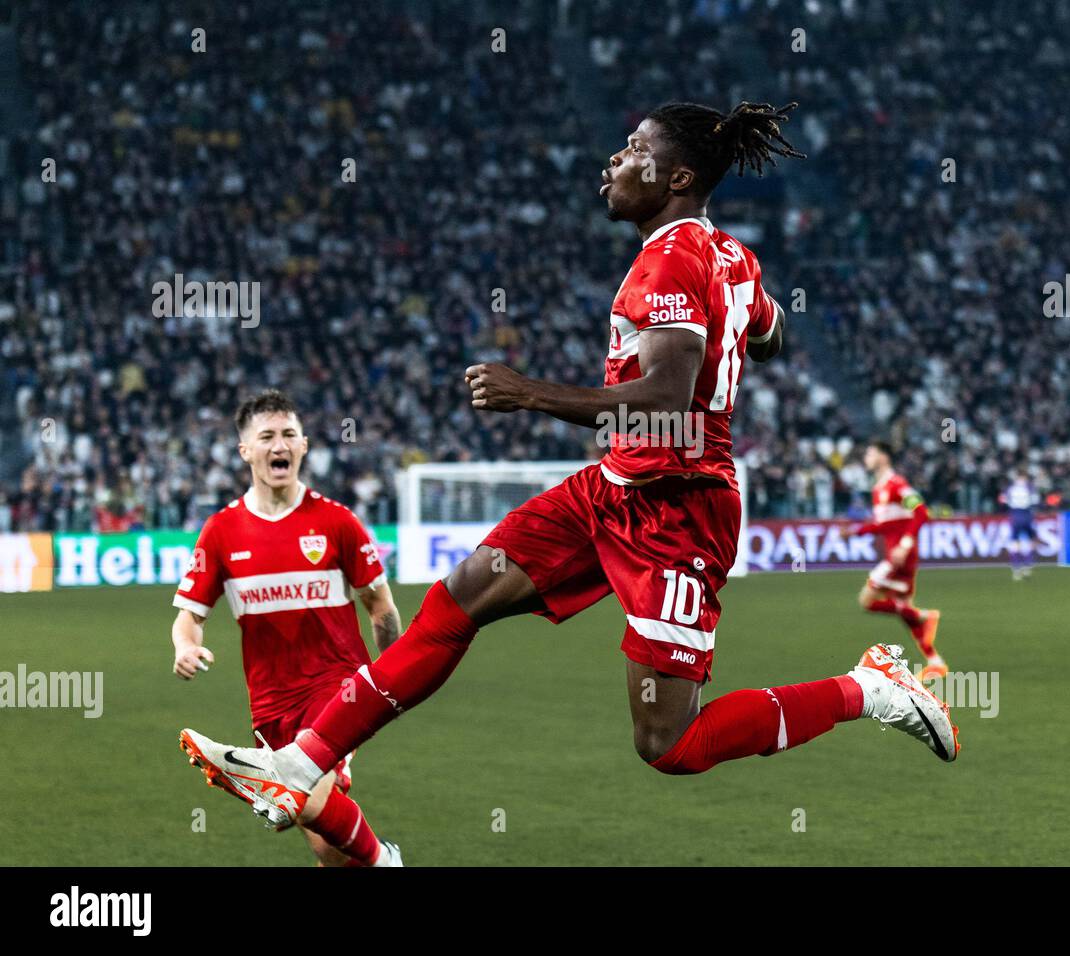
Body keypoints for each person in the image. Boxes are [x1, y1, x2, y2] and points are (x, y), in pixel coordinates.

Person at [179, 102, 957, 833]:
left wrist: (529, 393)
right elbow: (774, 334)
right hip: (613, 489)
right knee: (456, 602)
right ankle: (299, 764)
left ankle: (870, 689)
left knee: (669, 744)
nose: (616, 160)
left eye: (636, 152)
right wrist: (737, 326)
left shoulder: (672, 264)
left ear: (676, 178)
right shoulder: (728, 257)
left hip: (677, 514)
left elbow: (668, 398)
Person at [174, 389, 403, 865]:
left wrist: (395, 677)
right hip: (271, 704)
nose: (279, 445)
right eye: (267, 437)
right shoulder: (221, 532)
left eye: (289, 435)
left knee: (307, 792)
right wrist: (185, 647)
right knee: (323, 836)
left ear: (303, 446)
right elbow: (189, 617)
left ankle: (384, 863)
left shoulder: (337, 522)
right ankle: (362, 850)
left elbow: (381, 608)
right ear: (246, 451)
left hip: (338, 686)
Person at [853, 441, 946, 680]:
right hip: (895, 555)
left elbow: (921, 511)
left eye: (870, 452)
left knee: (866, 599)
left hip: (900, 557)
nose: (866, 457)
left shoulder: (897, 484)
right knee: (903, 610)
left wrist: (904, 545)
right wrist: (857, 531)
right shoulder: (878, 489)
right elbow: (885, 524)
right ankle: (935, 661)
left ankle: (925, 615)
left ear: (883, 457)